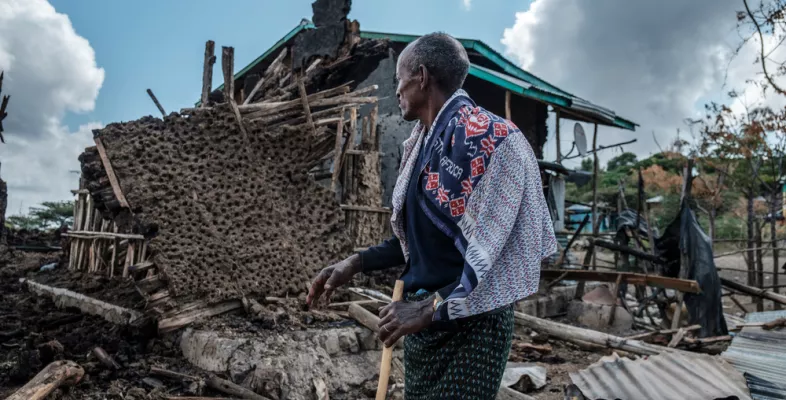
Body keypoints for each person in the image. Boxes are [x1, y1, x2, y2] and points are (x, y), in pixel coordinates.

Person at [306, 32, 556, 399]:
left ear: (421, 77)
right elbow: (415, 242)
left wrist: (431, 307)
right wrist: (354, 263)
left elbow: (496, 256)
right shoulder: (420, 147)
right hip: (423, 327)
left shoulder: (496, 142)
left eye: (398, 79)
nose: (396, 90)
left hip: (472, 331)